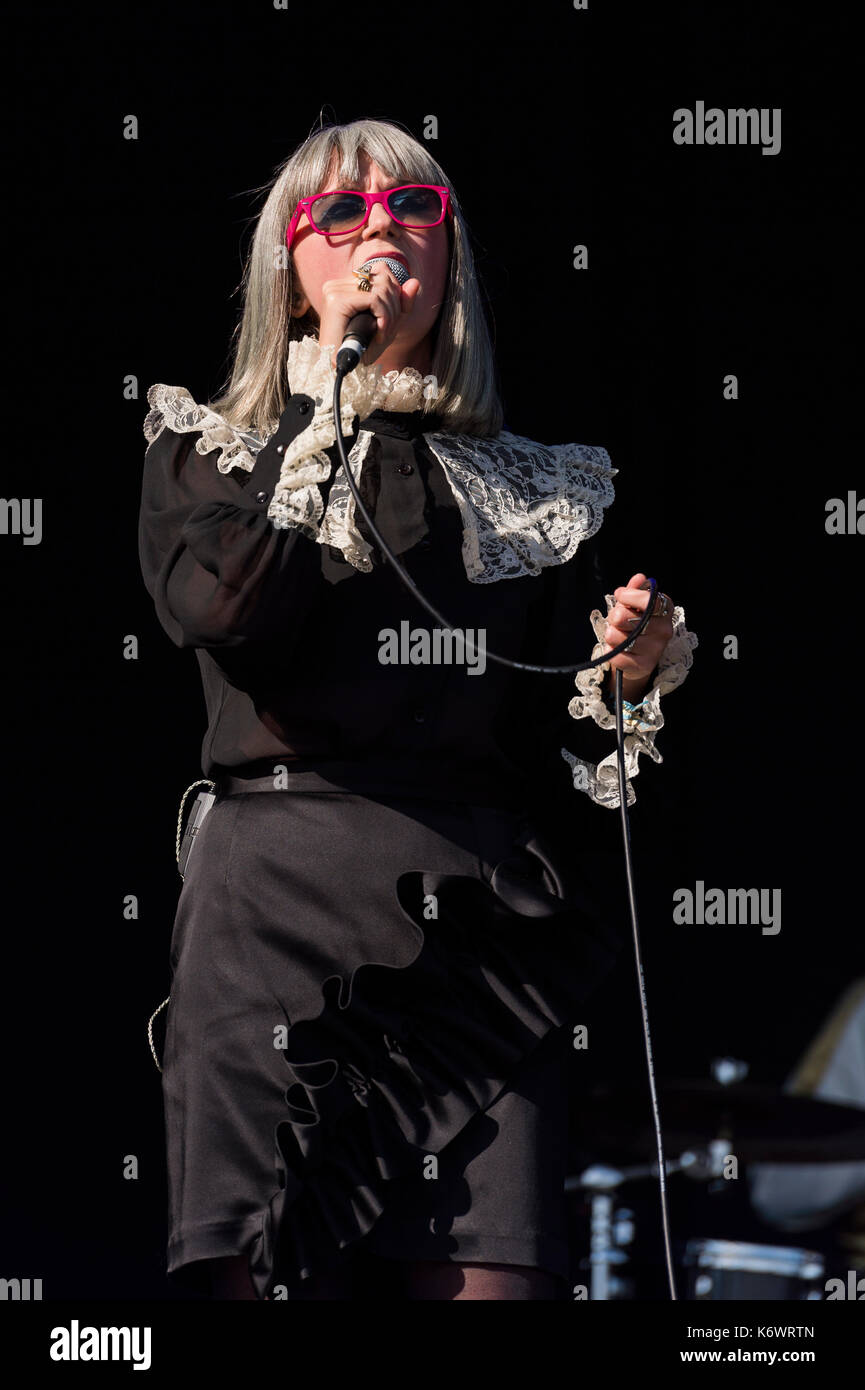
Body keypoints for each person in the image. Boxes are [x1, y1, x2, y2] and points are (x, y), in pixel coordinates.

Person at [138, 117, 697, 1301]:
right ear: (288, 271)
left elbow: (558, 733)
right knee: (260, 1274)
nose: (379, 233)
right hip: (273, 906)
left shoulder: (526, 491)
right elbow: (230, 616)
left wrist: (627, 675)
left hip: (466, 933)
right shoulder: (221, 452)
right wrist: (327, 407)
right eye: (338, 216)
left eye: (412, 211)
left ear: (450, 263)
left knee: (494, 1281)